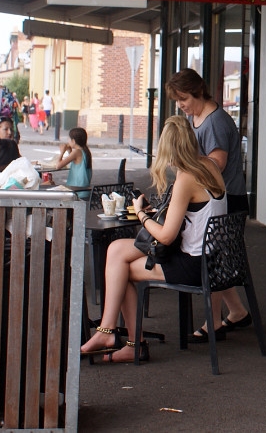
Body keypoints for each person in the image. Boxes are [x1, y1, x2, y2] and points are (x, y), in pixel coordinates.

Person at [79, 116, 227, 363]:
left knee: (121, 268)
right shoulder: (209, 166)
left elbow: (167, 236)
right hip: (212, 258)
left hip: (194, 265)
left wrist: (139, 213)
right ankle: (110, 332)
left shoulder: (186, 178)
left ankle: (126, 341)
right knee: (116, 249)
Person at [165, 68, 252, 342]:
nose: (181, 105)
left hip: (227, 199)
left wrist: (187, 168)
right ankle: (237, 312)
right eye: (178, 100)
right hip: (216, 198)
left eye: (183, 99)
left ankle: (214, 322)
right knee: (216, 259)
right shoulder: (197, 118)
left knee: (209, 257)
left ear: (198, 92)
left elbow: (218, 162)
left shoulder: (215, 122)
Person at [57, 127, 92, 198]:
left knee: (54, 191)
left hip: (77, 191)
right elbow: (76, 161)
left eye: (69, 139)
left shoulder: (77, 152)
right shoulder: (85, 151)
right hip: (83, 190)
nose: (68, 141)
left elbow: (58, 166)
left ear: (73, 141)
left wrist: (62, 152)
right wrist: (70, 151)